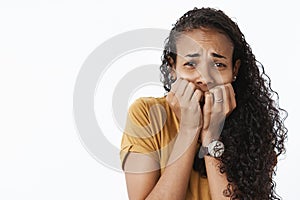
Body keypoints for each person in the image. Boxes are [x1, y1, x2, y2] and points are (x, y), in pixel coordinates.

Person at [120, 7, 287, 200]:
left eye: (218, 65)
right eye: (191, 64)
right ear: (172, 67)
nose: (205, 78)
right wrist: (189, 130)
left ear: (235, 69)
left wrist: (211, 136)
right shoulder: (146, 114)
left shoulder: (253, 122)